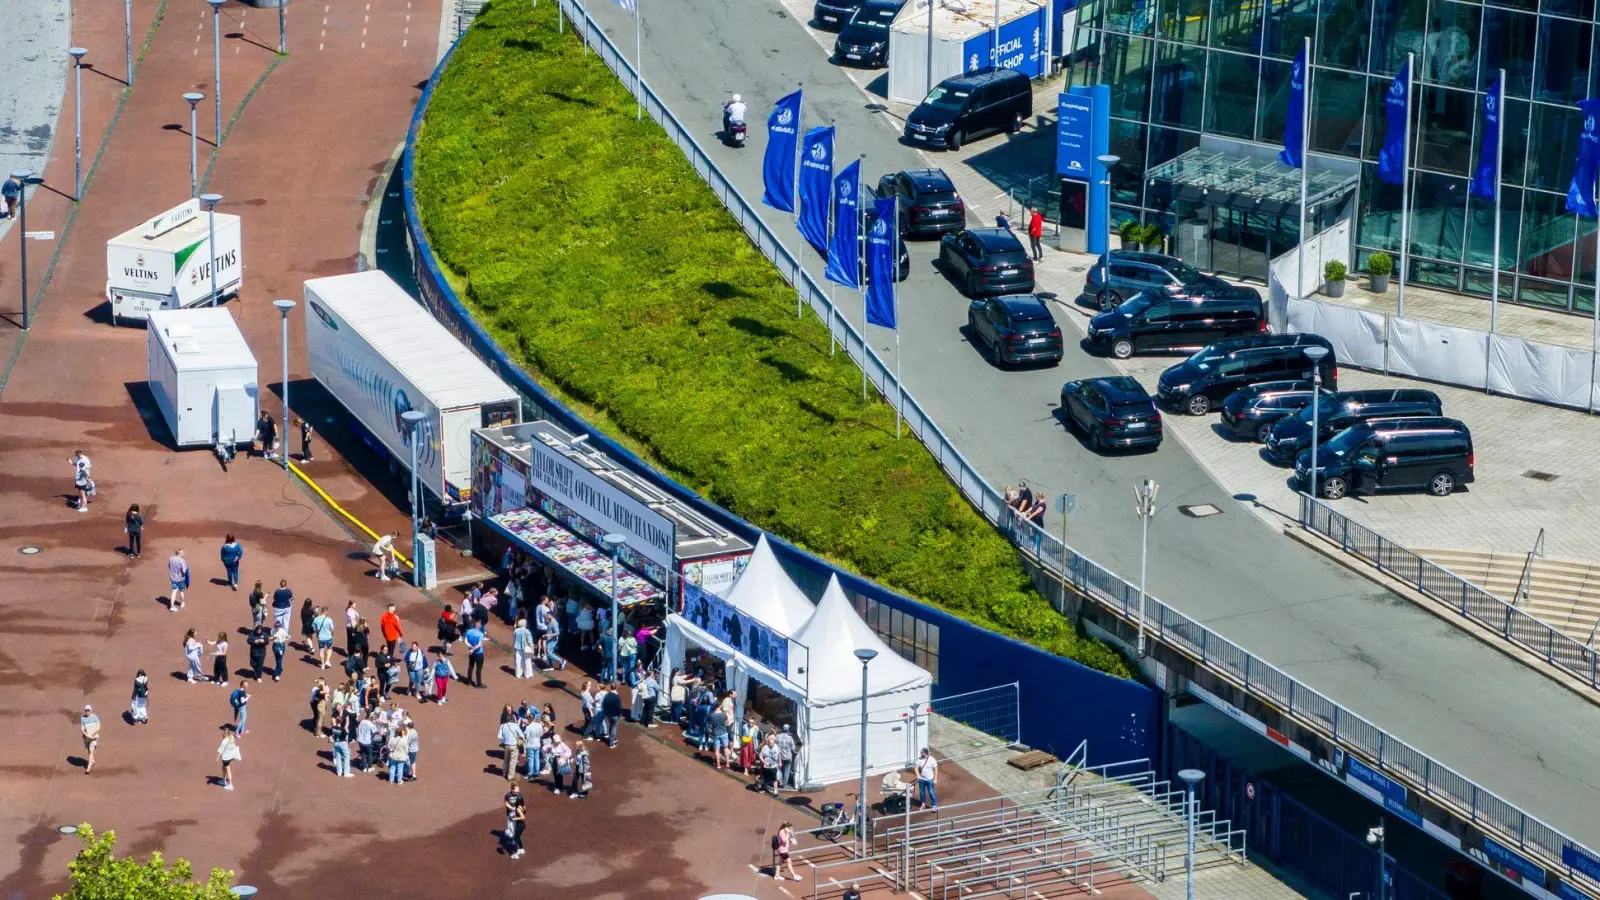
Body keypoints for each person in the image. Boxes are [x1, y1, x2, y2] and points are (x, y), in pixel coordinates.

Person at [504, 783, 527, 859]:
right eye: (516, 791)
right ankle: (520, 849)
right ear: (512, 789)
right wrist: (511, 808)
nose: (517, 793)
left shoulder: (519, 797)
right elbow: (506, 803)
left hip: (516, 818)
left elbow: (524, 805)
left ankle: (514, 853)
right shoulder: (508, 795)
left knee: (514, 837)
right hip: (512, 815)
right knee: (515, 834)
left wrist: (522, 810)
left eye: (518, 791)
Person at [329, 702, 353, 777]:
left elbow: (347, 723)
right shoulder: (334, 714)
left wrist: (339, 729)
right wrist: (342, 730)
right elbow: (345, 736)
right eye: (337, 708)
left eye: (339, 707)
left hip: (336, 739)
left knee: (338, 755)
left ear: (341, 707)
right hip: (342, 739)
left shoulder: (345, 713)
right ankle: (346, 773)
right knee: (347, 756)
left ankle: (339, 771)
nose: (338, 709)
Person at [498, 711, 521, 782]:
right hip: (514, 746)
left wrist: (502, 742)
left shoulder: (503, 726)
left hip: (506, 746)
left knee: (506, 760)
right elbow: (521, 735)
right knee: (513, 761)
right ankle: (510, 776)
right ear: (512, 719)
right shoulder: (515, 726)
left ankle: (504, 773)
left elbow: (499, 736)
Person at [217, 725, 241, 790]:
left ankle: (230, 784)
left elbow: (221, 750)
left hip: (226, 758)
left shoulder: (224, 741)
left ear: (225, 733)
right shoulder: (231, 737)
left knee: (228, 769)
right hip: (230, 756)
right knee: (223, 767)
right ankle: (223, 780)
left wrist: (217, 758)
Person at [463, 620, 486, 688]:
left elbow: (465, 641)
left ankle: (469, 681)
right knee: (479, 668)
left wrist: (471, 647)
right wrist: (473, 649)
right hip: (478, 653)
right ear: (478, 625)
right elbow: (479, 644)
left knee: (470, 666)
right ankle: (478, 684)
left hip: (471, 652)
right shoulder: (480, 634)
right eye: (480, 624)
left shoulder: (469, 631)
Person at [600, 682, 623, 749]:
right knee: (613, 728)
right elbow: (619, 707)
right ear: (616, 688)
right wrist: (620, 714)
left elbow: (603, 704)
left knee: (611, 726)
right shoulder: (616, 696)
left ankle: (612, 738)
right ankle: (611, 743)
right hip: (615, 715)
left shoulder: (607, 694)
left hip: (608, 714)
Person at [776, 723, 798, 789]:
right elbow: (793, 748)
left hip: (779, 757)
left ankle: (780, 782)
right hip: (788, 757)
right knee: (787, 771)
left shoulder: (777, 736)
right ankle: (784, 784)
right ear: (788, 730)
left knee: (780, 770)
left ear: (782, 730)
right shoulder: (790, 738)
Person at [79, 705, 100, 774]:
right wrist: (85, 734)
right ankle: (92, 761)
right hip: (86, 738)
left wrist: (91, 734)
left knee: (91, 750)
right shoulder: (82, 718)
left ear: (91, 710)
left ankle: (88, 768)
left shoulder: (95, 717)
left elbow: (98, 727)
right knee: (89, 750)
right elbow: (82, 728)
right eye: (86, 710)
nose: (87, 712)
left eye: (88, 710)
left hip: (94, 737)